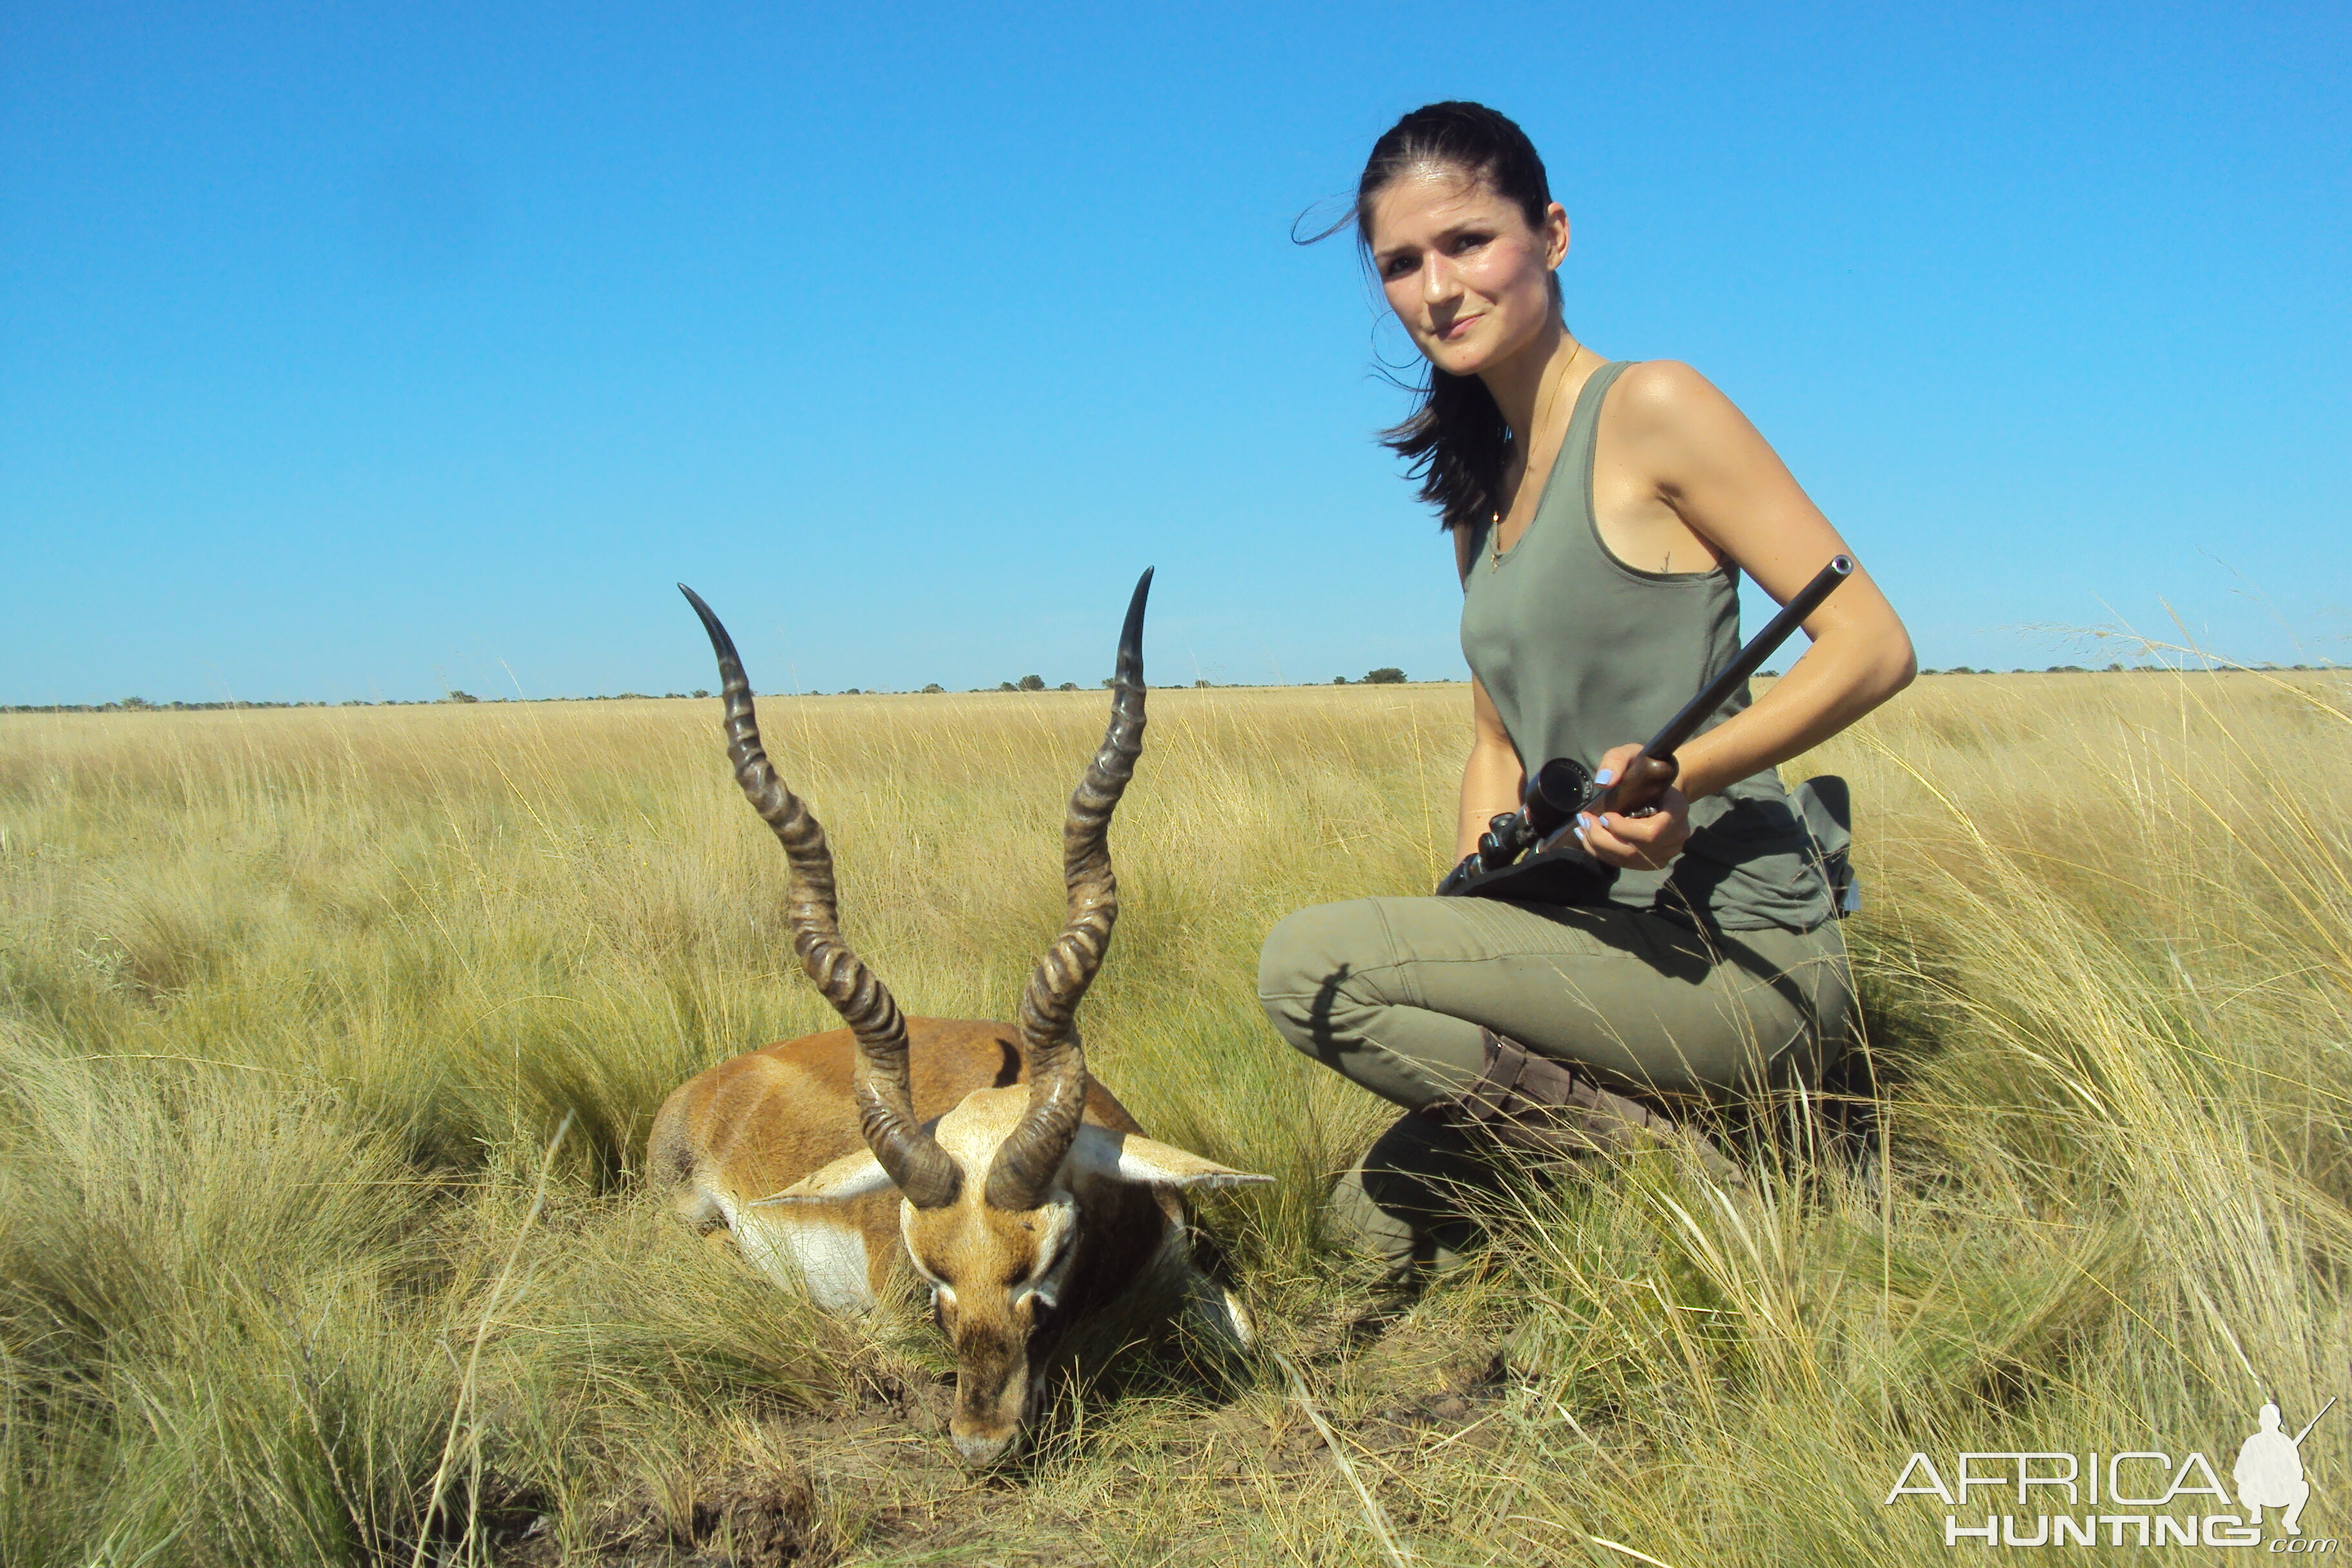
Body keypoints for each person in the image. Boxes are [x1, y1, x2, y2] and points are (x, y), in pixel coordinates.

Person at [1257, 102, 1916, 1271]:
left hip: (1734, 955)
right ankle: (1664, 1137)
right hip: (1588, 943)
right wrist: (1476, 901)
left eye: (1468, 242)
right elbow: (1495, 743)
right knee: (1360, 1226)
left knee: (1308, 966)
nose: (1436, 288)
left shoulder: (1654, 407)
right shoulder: (1478, 493)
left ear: (1552, 234)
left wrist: (1684, 774)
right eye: (1401, 264)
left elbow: (1871, 643)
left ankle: (1685, 1178)